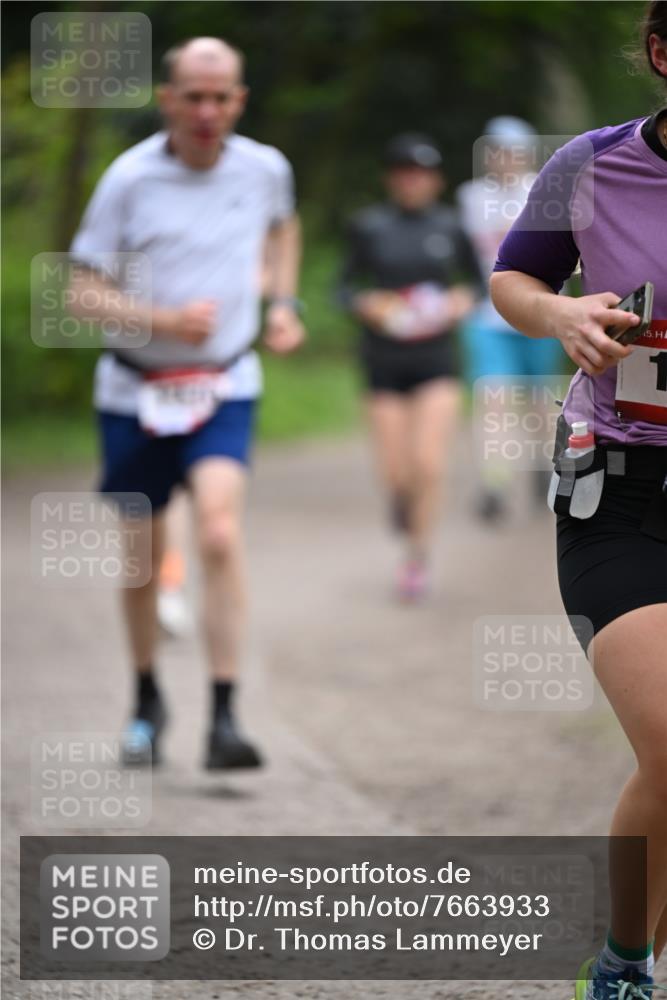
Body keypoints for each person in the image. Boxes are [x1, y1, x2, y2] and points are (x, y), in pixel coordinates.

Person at [490, 4, 667, 997]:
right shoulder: (593, 164)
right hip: (623, 491)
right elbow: (513, 278)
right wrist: (558, 309)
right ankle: (622, 965)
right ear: (658, 53)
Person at [69, 37, 305, 769]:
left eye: (222, 96)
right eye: (193, 96)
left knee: (218, 534)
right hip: (135, 389)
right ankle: (145, 699)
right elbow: (80, 292)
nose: (207, 111)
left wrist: (282, 301)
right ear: (167, 98)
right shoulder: (129, 179)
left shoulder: (264, 168)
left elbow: (283, 226)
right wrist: (162, 321)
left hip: (223, 382)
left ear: (239, 100)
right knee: (141, 565)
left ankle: (225, 718)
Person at [337, 133, 481, 600]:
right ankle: (404, 506)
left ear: (435, 180)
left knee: (429, 463)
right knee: (396, 474)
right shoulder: (369, 226)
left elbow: (482, 284)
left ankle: (417, 558)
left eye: (421, 173)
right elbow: (340, 287)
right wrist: (366, 303)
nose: (412, 181)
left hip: (436, 358)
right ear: (391, 179)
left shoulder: (451, 226)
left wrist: (462, 299)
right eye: (403, 173)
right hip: (383, 360)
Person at [457, 116, 564, 521]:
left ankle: (541, 469)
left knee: (541, 404)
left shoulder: (547, 191)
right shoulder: (469, 197)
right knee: (493, 401)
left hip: (540, 312)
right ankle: (495, 484)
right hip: (488, 318)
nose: (505, 159)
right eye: (498, 151)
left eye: (513, 151)